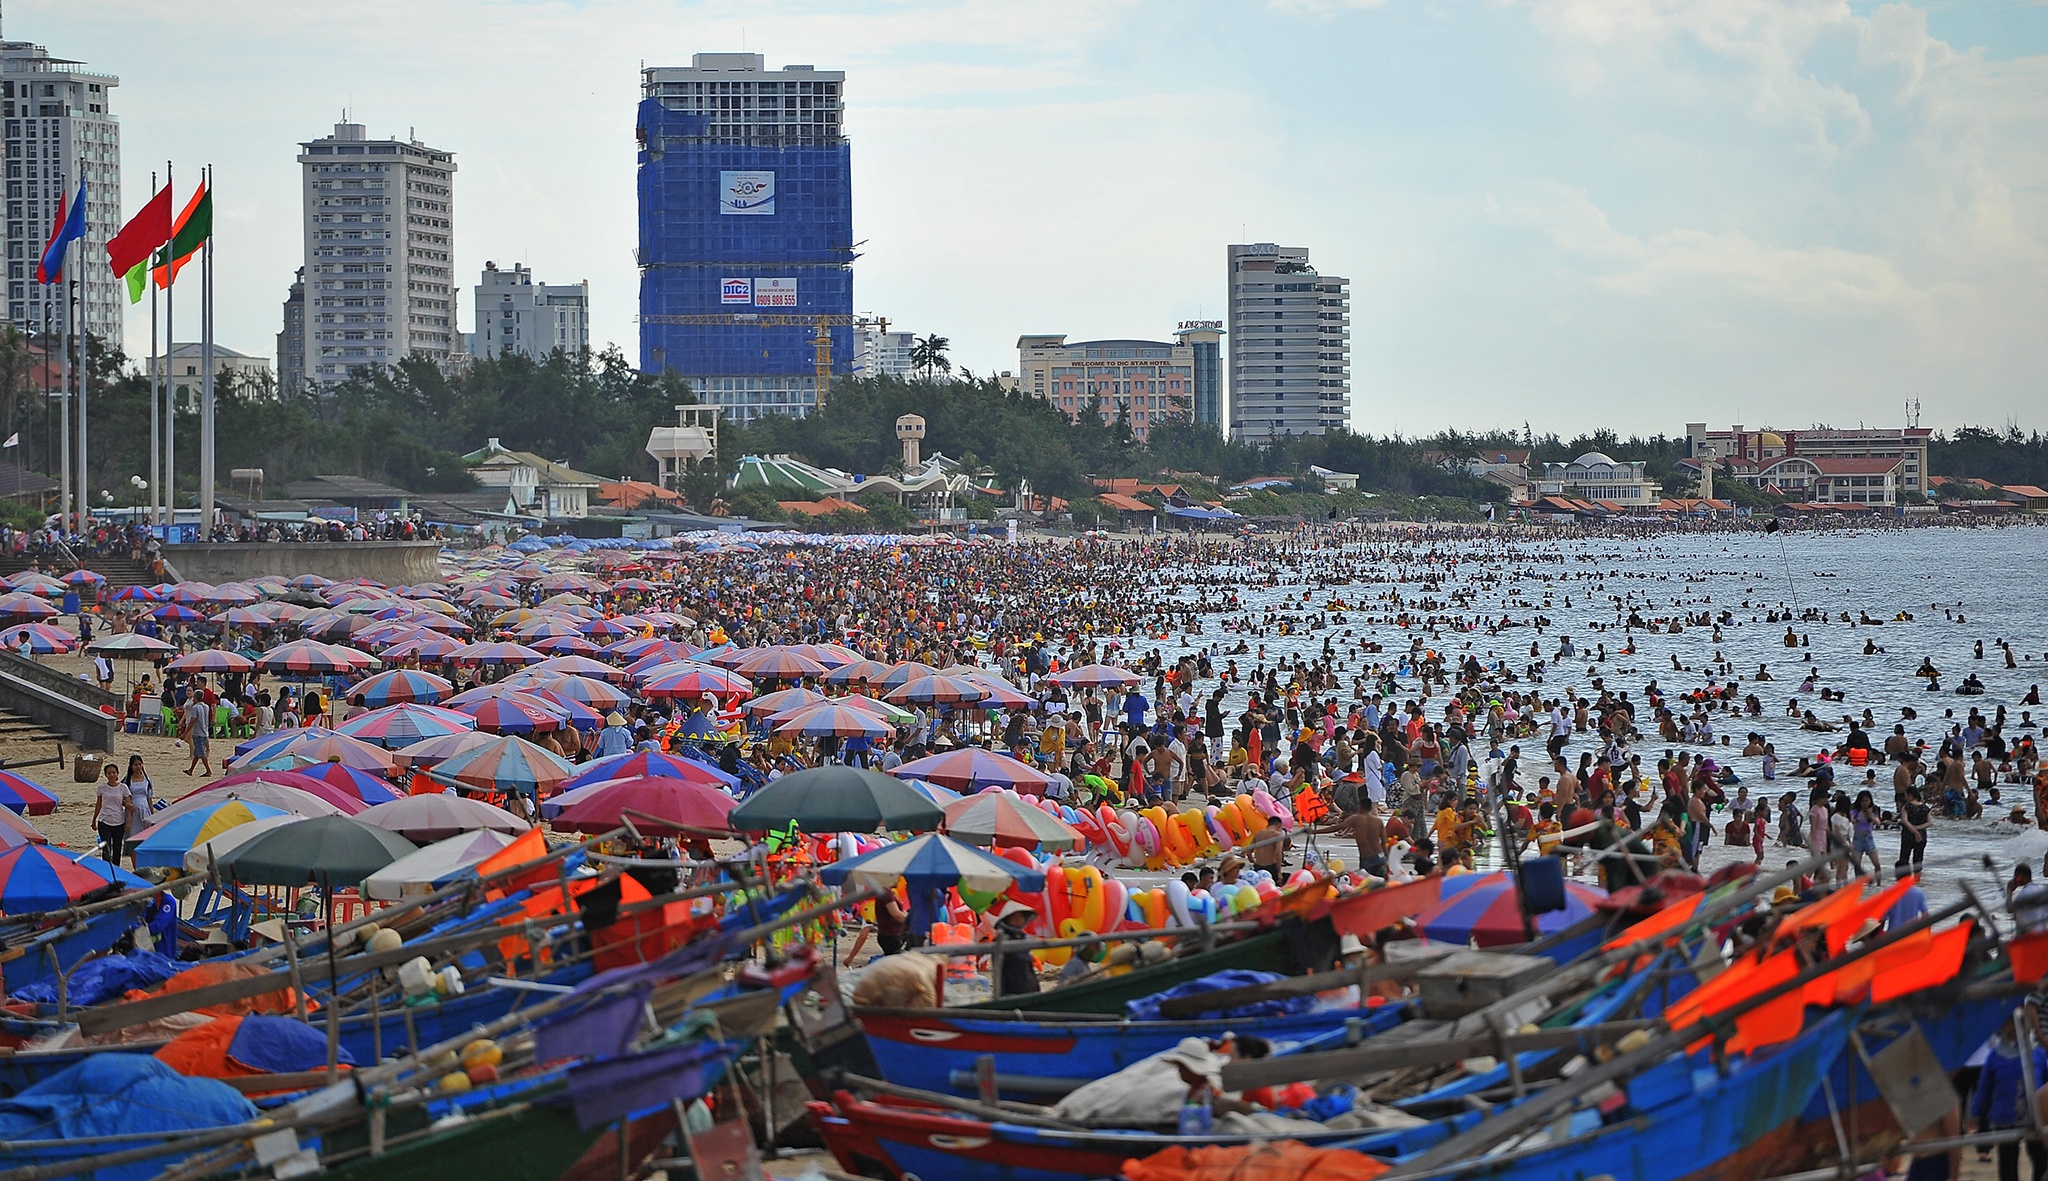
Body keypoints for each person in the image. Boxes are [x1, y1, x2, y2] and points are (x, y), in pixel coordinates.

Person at [993, 899, 1040, 996]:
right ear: (1007, 919)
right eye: (1014, 917)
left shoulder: (1023, 938)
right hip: (1011, 991)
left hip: (1029, 989)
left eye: (1020, 916)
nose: (1018, 919)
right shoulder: (1002, 940)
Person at [122, 755, 155, 865]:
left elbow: (149, 798)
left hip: (145, 809)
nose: (138, 767)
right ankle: (136, 865)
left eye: (140, 764)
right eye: (135, 765)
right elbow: (123, 797)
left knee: (145, 838)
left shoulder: (147, 780)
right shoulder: (127, 780)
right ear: (131, 766)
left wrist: (152, 814)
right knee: (133, 838)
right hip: (132, 811)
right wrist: (127, 808)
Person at [94, 762, 128, 860]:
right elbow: (99, 804)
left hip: (119, 821)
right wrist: (94, 820)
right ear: (106, 775)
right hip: (104, 821)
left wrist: (128, 819)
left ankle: (116, 870)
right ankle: (106, 869)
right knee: (106, 848)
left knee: (117, 849)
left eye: (114, 772)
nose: (112, 775)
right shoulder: (102, 788)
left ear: (117, 773)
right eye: (109, 773)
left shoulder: (123, 788)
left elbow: (127, 802)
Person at [181, 688, 215, 777]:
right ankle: (191, 770)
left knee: (201, 753)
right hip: (204, 732)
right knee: (197, 753)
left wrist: (185, 733)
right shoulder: (206, 706)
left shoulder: (195, 708)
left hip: (198, 732)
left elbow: (192, 721)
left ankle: (208, 770)